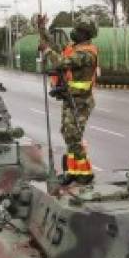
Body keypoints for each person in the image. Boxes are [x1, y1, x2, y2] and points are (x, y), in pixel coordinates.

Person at [37, 15, 99, 185]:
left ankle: (85, 173)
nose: (74, 32)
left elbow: (61, 62)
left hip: (81, 101)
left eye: (78, 30)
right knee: (68, 135)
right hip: (70, 98)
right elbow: (55, 45)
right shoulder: (75, 48)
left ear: (85, 34)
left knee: (74, 136)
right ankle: (73, 171)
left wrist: (47, 51)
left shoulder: (87, 54)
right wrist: (42, 29)